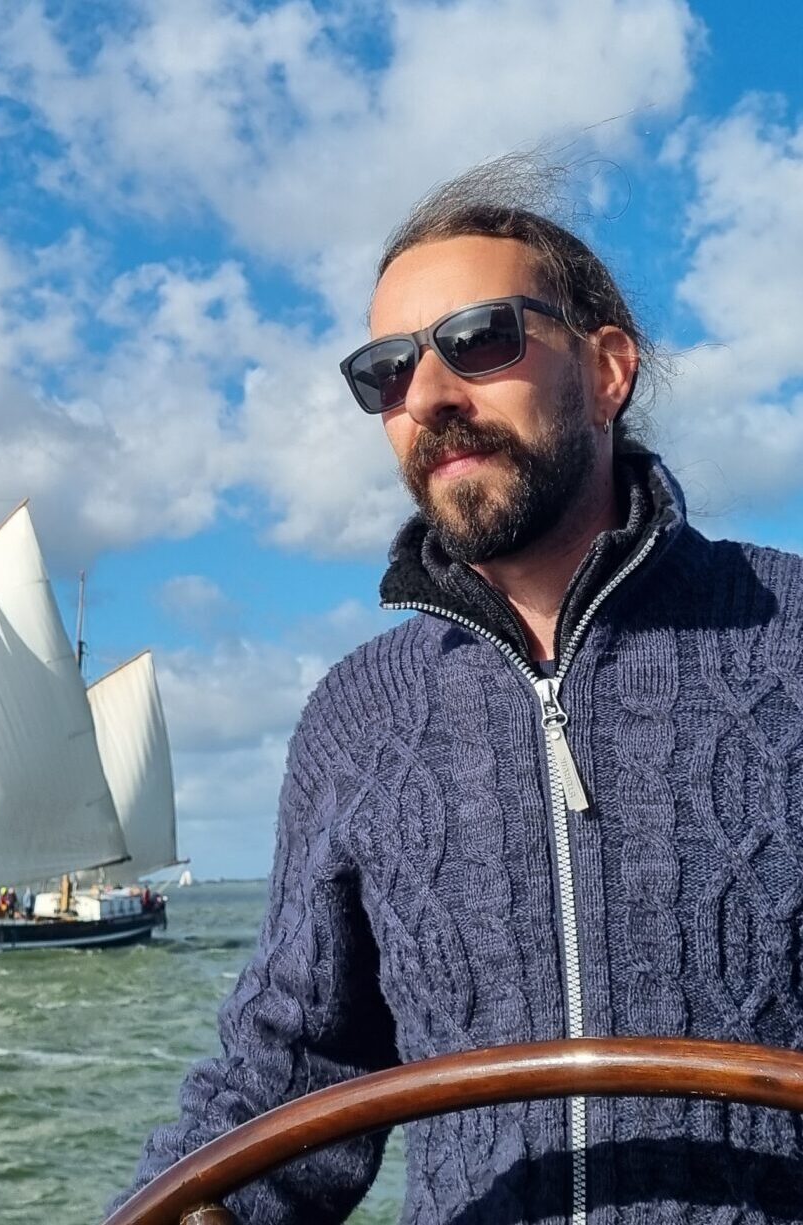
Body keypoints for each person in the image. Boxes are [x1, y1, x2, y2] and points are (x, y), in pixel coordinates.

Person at [116, 160, 803, 1222]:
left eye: (480, 340)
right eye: (387, 371)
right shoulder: (358, 715)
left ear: (608, 370)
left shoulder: (788, 633)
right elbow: (289, 1072)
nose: (429, 395)